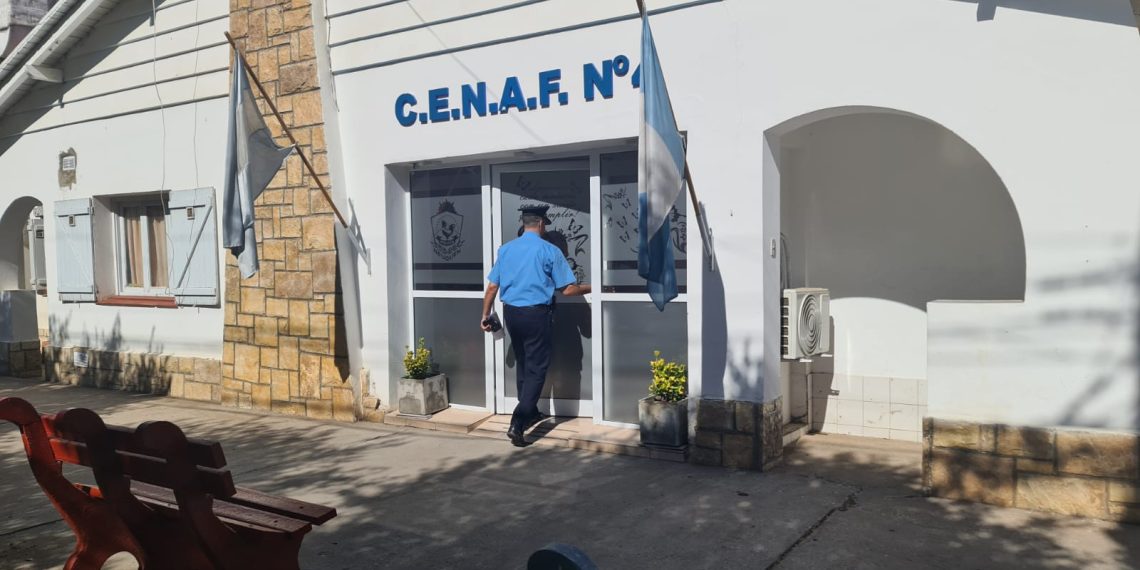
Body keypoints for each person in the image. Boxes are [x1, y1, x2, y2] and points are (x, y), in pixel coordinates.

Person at [482, 205, 591, 446]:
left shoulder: (506, 249)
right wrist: (594, 287)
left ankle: (530, 411)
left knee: (524, 363)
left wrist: (485, 314)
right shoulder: (549, 250)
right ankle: (518, 422)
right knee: (537, 368)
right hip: (536, 315)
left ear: (524, 224)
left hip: (512, 314)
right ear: (541, 224)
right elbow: (568, 290)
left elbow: (492, 286)